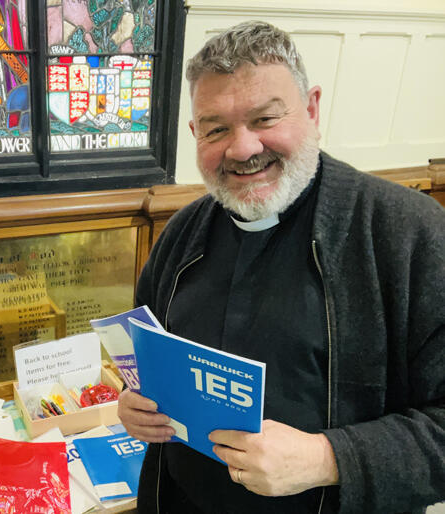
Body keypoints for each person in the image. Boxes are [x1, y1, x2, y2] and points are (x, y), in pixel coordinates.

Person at [118, 20, 445, 514]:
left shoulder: (408, 234)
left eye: (265, 119)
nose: (243, 148)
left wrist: (329, 459)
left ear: (312, 110)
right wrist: (136, 404)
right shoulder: (181, 235)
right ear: (195, 134)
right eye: (216, 129)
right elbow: (146, 363)